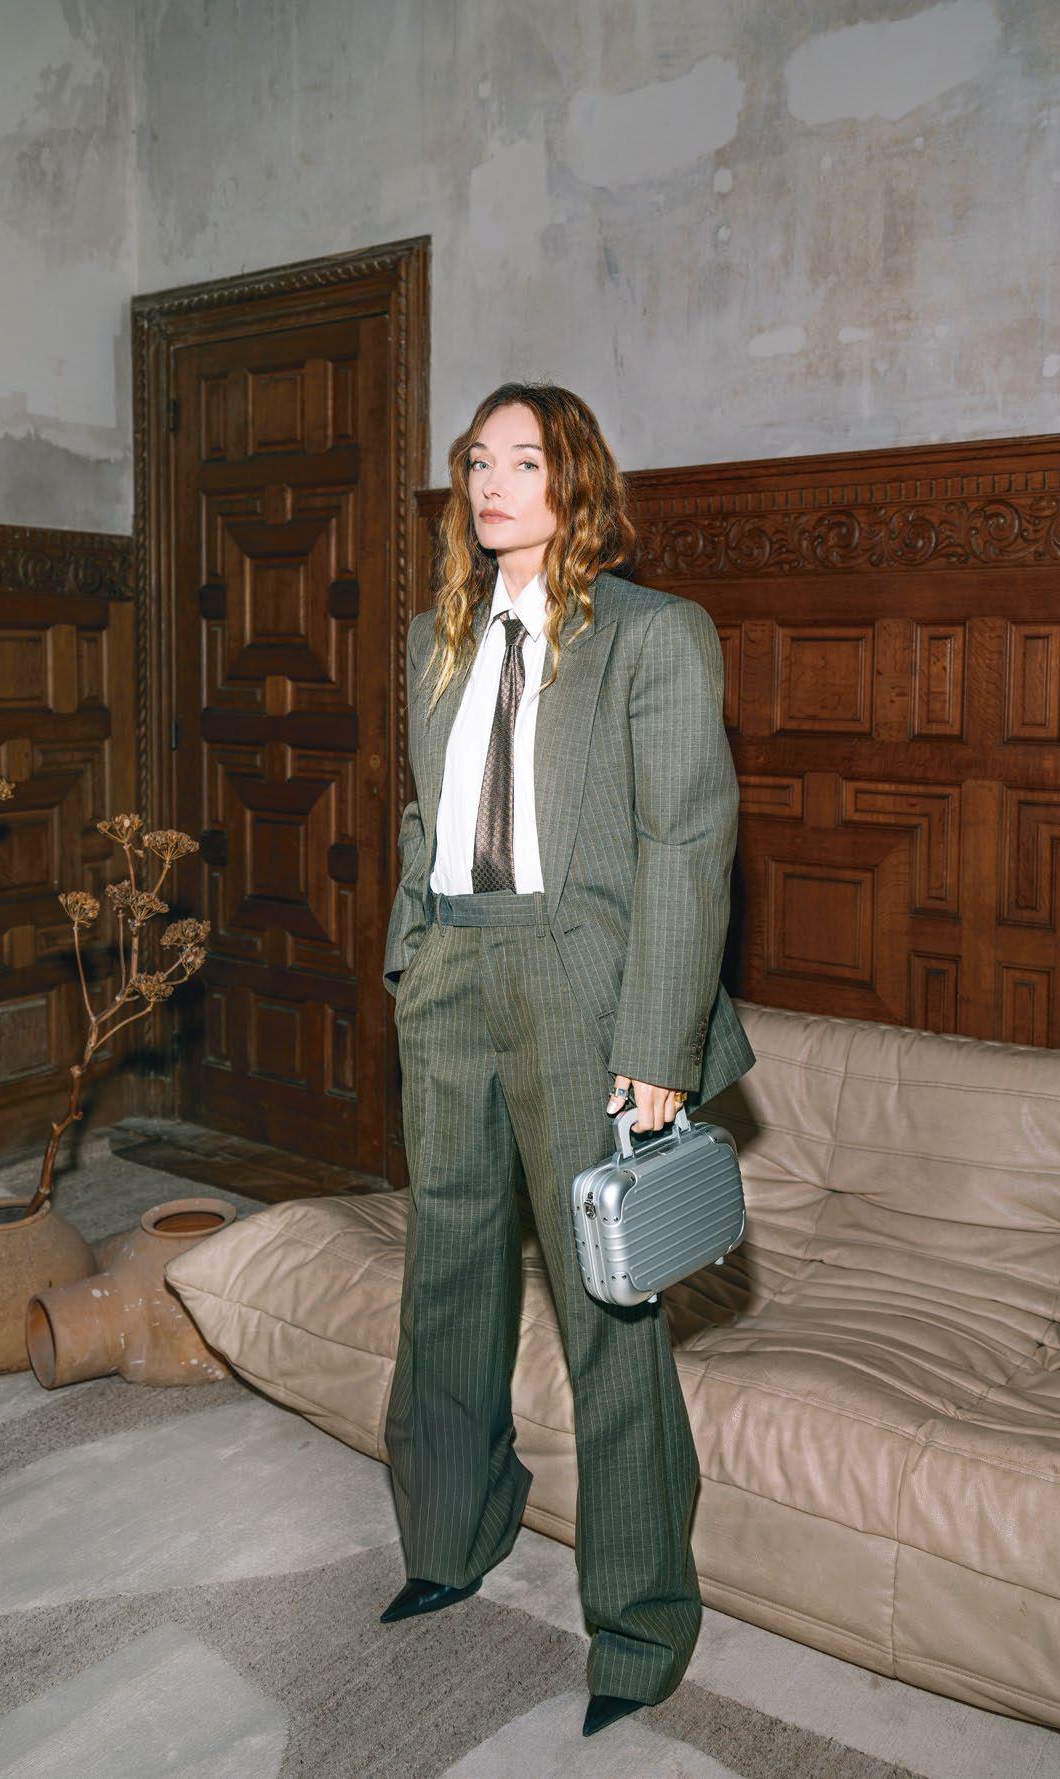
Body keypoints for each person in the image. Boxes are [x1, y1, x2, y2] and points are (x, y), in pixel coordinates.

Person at [379, 381, 755, 1738]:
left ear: (575, 481)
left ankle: (641, 1623)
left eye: (523, 462)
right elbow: (427, 814)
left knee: (609, 1304)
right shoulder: (432, 638)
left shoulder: (655, 636)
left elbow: (689, 845)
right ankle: (449, 1538)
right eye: (476, 462)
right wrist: (409, 953)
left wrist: (659, 1043)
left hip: (580, 990)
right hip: (453, 972)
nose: (491, 485)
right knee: (447, 1275)